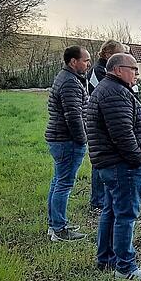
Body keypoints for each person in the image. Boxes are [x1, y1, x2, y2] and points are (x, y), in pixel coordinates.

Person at [87, 53, 141, 281]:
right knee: (126, 215)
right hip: (122, 165)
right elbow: (122, 133)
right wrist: (138, 159)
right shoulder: (114, 92)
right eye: (134, 69)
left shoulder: (110, 89)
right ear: (118, 69)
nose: (137, 74)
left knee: (111, 211)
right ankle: (126, 267)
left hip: (112, 163)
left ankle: (106, 257)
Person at [45, 46, 91, 241]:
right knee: (63, 184)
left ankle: (55, 223)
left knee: (58, 181)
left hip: (60, 139)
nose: (89, 64)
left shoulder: (66, 78)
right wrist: (82, 139)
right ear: (73, 61)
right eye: (86, 60)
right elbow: (73, 116)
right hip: (67, 140)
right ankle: (59, 229)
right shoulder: (70, 82)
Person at [87, 40, 127, 211]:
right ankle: (98, 200)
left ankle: (105, 198)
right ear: (108, 53)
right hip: (101, 123)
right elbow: (111, 94)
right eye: (120, 54)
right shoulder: (99, 71)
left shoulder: (107, 70)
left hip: (108, 120)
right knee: (100, 162)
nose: (123, 58)